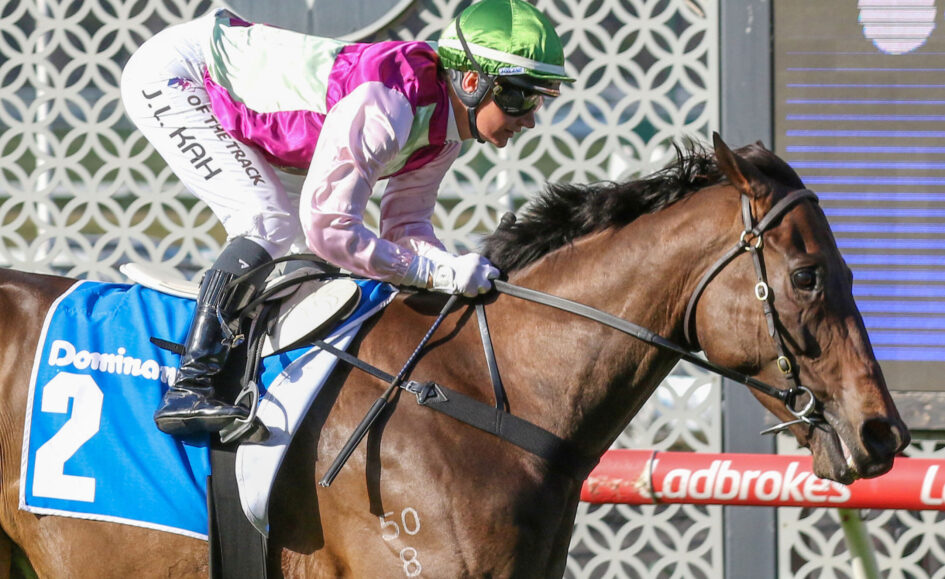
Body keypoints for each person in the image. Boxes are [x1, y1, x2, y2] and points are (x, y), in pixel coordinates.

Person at [120, 0, 573, 436]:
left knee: (303, 263)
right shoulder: (387, 104)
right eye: (520, 97)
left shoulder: (447, 133)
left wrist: (449, 270)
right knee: (266, 221)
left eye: (539, 101)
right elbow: (330, 229)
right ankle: (191, 384)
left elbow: (406, 230)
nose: (530, 120)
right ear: (472, 81)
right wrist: (436, 273)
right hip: (180, 73)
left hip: (262, 115)